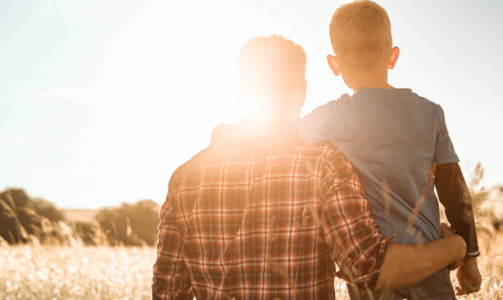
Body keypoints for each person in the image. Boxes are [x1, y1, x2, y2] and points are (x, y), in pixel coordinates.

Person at [152, 35, 466, 300]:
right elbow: (373, 272)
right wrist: (454, 246)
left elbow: (167, 293)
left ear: (239, 93)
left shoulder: (184, 179)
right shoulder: (323, 166)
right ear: (301, 90)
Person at [293, 1, 482, 298]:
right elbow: (454, 191)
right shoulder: (430, 113)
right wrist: (469, 257)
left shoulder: (332, 117)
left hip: (376, 274)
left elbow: (281, 140)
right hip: (432, 265)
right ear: (392, 57)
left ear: (334, 64)